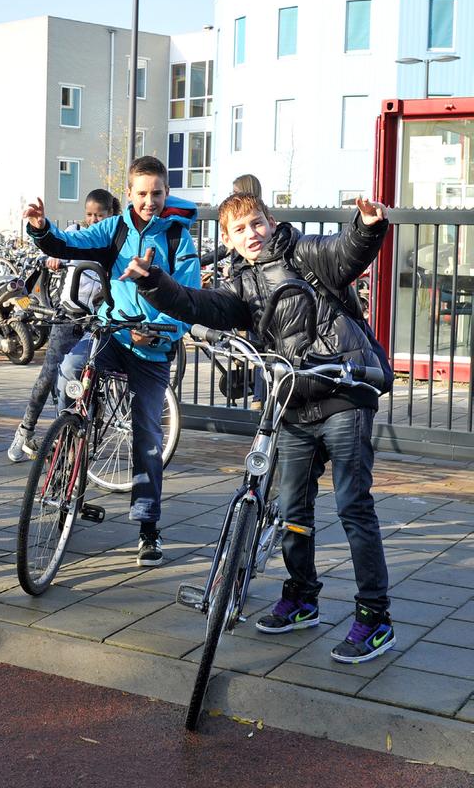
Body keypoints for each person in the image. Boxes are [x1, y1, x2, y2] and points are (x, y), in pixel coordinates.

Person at [123, 191, 396, 663]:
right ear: (227, 240)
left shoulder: (304, 253)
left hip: (342, 392)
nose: (251, 234)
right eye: (239, 229)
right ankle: (302, 598)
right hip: (291, 403)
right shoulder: (239, 287)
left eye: (256, 223)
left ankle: (375, 617)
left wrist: (367, 227)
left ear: (271, 222)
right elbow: (197, 304)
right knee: (292, 509)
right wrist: (154, 284)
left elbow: (345, 252)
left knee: (353, 506)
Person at [23, 156, 200, 567]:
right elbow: (68, 245)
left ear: (166, 192)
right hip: (113, 333)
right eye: (141, 193)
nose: (149, 201)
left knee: (148, 441)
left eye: (157, 193)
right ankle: (76, 435)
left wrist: (159, 328)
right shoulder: (113, 229)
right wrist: (40, 228)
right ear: (129, 194)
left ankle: (147, 525)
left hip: (152, 346)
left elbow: (189, 299)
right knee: (69, 367)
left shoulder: (177, 239)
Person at [7, 188, 120, 462]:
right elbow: (59, 245)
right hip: (69, 316)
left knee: (89, 380)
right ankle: (25, 431)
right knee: (49, 375)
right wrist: (52, 260)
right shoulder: (77, 231)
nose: (94, 220)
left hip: (97, 320)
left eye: (100, 215)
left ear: (111, 215)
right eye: (90, 214)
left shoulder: (113, 240)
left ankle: (74, 437)